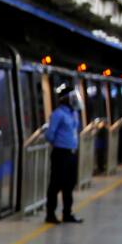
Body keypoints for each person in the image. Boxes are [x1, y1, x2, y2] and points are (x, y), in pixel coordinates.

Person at [44, 82, 83, 225]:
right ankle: (50, 214)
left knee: (69, 184)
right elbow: (49, 135)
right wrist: (60, 142)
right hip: (61, 153)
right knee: (56, 183)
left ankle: (68, 213)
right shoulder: (58, 114)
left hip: (72, 153)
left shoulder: (74, 114)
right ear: (65, 98)